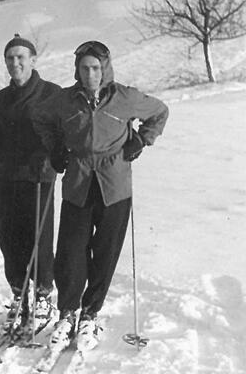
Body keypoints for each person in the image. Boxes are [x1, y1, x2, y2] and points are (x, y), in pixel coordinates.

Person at [32, 40, 168, 351]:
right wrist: (55, 147)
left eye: (96, 67)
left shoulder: (125, 97)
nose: (90, 73)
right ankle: (67, 313)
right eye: (84, 68)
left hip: (115, 183)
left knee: (105, 252)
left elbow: (160, 112)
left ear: (105, 68)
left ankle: (90, 314)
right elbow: (40, 118)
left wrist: (142, 140)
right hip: (79, 181)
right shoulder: (64, 100)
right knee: (70, 252)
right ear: (77, 70)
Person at [0, 34, 62, 334]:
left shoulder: (52, 93)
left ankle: (41, 296)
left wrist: (52, 153)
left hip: (39, 176)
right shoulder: (2, 97)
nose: (15, 63)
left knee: (38, 239)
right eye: (10, 58)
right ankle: (18, 293)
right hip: (8, 176)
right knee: (9, 238)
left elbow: (62, 133)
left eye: (21, 57)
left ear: (33, 60)